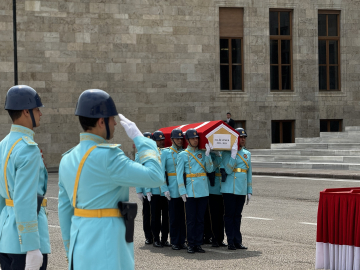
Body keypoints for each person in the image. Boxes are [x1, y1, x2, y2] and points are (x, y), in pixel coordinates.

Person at [58, 89, 163, 269]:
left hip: (79, 243)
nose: (115, 123)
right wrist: (141, 140)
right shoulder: (109, 156)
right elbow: (155, 176)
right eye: (112, 119)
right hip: (106, 245)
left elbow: (64, 209)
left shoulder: (67, 158)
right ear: (101, 122)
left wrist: (70, 248)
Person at [0, 85, 50, 270]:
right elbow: (25, 199)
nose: (40, 114)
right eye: (37, 109)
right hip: (25, 245)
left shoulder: (3, 145)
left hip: (7, 238)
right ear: (25, 111)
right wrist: (31, 246)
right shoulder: (28, 148)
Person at [176, 129, 214, 254]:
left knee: (200, 219)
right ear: (187, 140)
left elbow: (209, 169)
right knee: (191, 219)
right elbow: (179, 174)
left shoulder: (202, 153)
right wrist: (182, 190)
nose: (195, 140)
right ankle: (191, 244)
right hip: (190, 191)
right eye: (193, 138)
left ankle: (198, 243)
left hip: (203, 189)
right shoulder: (182, 155)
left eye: (197, 138)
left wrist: (208, 155)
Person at [221, 128, 252, 250]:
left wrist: (249, 190)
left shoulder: (247, 154)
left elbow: (248, 173)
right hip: (229, 189)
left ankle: (238, 241)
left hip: (241, 189)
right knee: (229, 215)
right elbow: (228, 170)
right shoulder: (226, 153)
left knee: (238, 215)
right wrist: (233, 155)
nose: (243, 139)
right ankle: (230, 241)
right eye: (241, 137)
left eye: (244, 137)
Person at [159, 128, 187, 250]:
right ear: (172, 140)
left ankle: (182, 240)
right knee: (174, 217)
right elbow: (161, 172)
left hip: (184, 188)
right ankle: (175, 241)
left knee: (183, 217)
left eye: (181, 139)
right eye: (177, 139)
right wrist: (164, 188)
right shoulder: (166, 153)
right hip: (172, 189)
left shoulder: (185, 152)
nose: (180, 141)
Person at [145, 130, 170, 248]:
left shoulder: (166, 152)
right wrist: (147, 189)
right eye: (159, 140)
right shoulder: (149, 153)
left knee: (166, 216)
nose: (161, 142)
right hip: (154, 190)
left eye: (162, 139)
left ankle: (164, 238)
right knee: (155, 217)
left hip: (165, 190)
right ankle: (156, 238)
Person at [135, 132, 154, 245]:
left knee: (155, 214)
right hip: (144, 188)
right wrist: (138, 190)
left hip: (154, 188)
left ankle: (155, 234)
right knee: (147, 214)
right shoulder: (139, 155)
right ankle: (148, 236)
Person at [208, 152, 226, 247]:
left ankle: (220, 239)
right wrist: (218, 157)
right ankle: (214, 238)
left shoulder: (225, 153)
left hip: (224, 188)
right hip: (213, 189)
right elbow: (211, 168)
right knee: (214, 216)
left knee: (222, 216)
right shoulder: (210, 154)